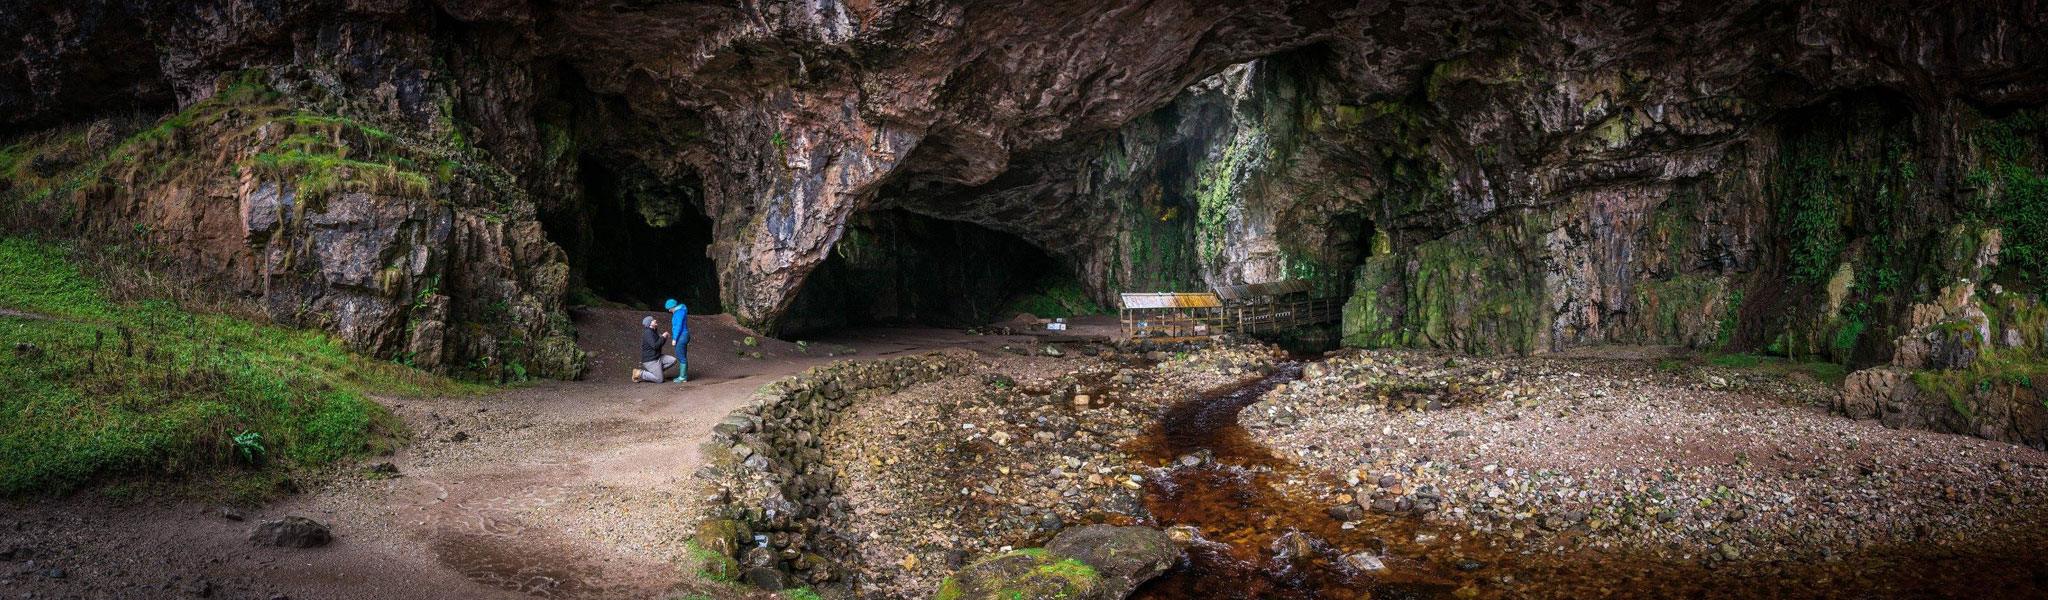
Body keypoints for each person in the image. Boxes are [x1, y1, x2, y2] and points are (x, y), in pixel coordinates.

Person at [632, 315, 676, 383]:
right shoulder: (648, 333)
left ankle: (657, 373)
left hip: (658, 357)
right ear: (649, 324)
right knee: (659, 380)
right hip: (650, 360)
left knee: (673, 360)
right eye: (652, 320)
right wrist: (663, 337)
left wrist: (664, 337)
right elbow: (655, 346)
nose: (655, 320)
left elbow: (659, 344)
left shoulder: (654, 331)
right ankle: (639, 373)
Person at [664, 298, 689, 382]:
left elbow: (678, 326)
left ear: (673, 307)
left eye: (669, 309)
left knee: (681, 356)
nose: (669, 311)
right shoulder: (681, 311)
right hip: (684, 335)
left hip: (681, 336)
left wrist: (674, 339)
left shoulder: (678, 313)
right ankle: (684, 376)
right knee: (683, 356)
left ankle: (682, 378)